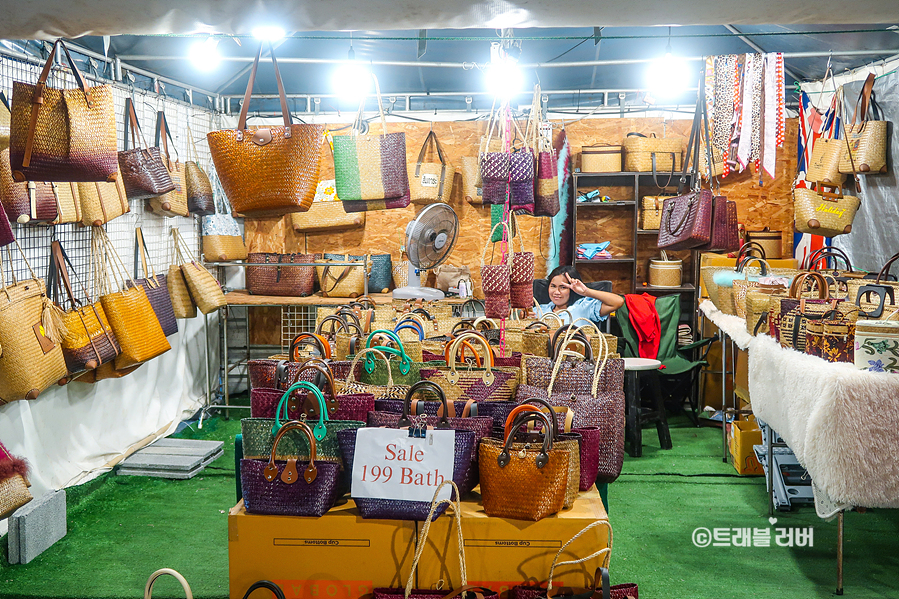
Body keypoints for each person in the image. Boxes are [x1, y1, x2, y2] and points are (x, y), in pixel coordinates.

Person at [535, 265, 625, 325]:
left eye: (563, 287)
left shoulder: (584, 307)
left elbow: (618, 302)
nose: (556, 292)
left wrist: (586, 292)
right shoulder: (540, 310)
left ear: (572, 289)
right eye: (553, 286)